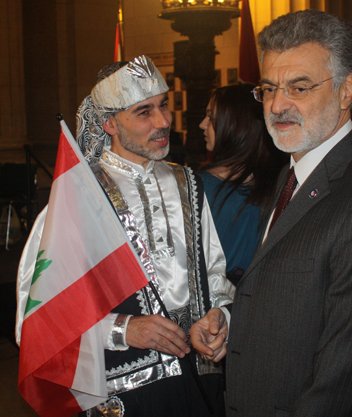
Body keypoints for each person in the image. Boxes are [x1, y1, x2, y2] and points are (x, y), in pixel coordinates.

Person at [190, 10, 352, 417]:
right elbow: (290, 296)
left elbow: (344, 382)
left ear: (346, 90)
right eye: (268, 89)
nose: (278, 105)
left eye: (299, 88)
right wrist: (230, 320)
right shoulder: (290, 173)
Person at [16, 56, 234, 417]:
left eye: (164, 105)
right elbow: (38, 318)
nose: (163, 121)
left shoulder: (189, 182)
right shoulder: (77, 196)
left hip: (200, 380)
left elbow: (214, 274)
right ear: (110, 123)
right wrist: (122, 330)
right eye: (144, 112)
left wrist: (219, 317)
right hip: (124, 393)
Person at [198, 83, 287, 285]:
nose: (203, 124)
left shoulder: (199, 188)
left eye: (212, 117)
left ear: (236, 124)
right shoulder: (282, 185)